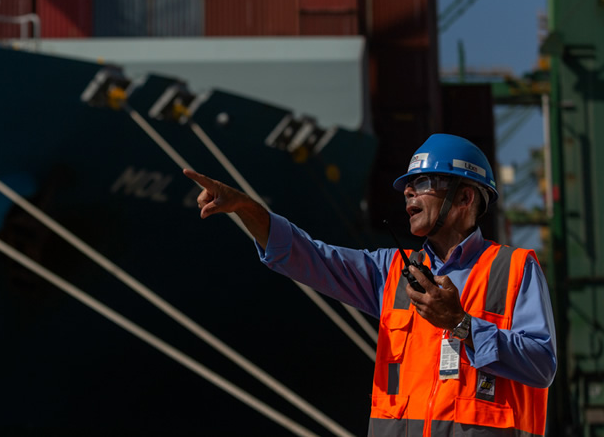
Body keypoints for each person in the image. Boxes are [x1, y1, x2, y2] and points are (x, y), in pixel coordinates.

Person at [185, 133, 556, 435]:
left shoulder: (514, 270)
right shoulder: (390, 272)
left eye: (422, 182)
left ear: (464, 196)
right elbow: (307, 255)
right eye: (407, 186)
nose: (409, 193)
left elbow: (542, 367)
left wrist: (462, 325)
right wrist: (247, 209)